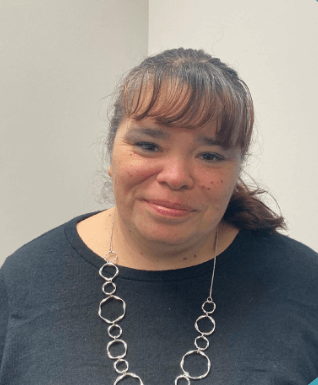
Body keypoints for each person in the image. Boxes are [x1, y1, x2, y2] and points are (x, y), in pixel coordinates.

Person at [0, 48, 317, 385]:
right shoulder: (24, 280)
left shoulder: (303, 284)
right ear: (111, 151)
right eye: (149, 146)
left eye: (210, 155)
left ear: (237, 168)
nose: (177, 176)